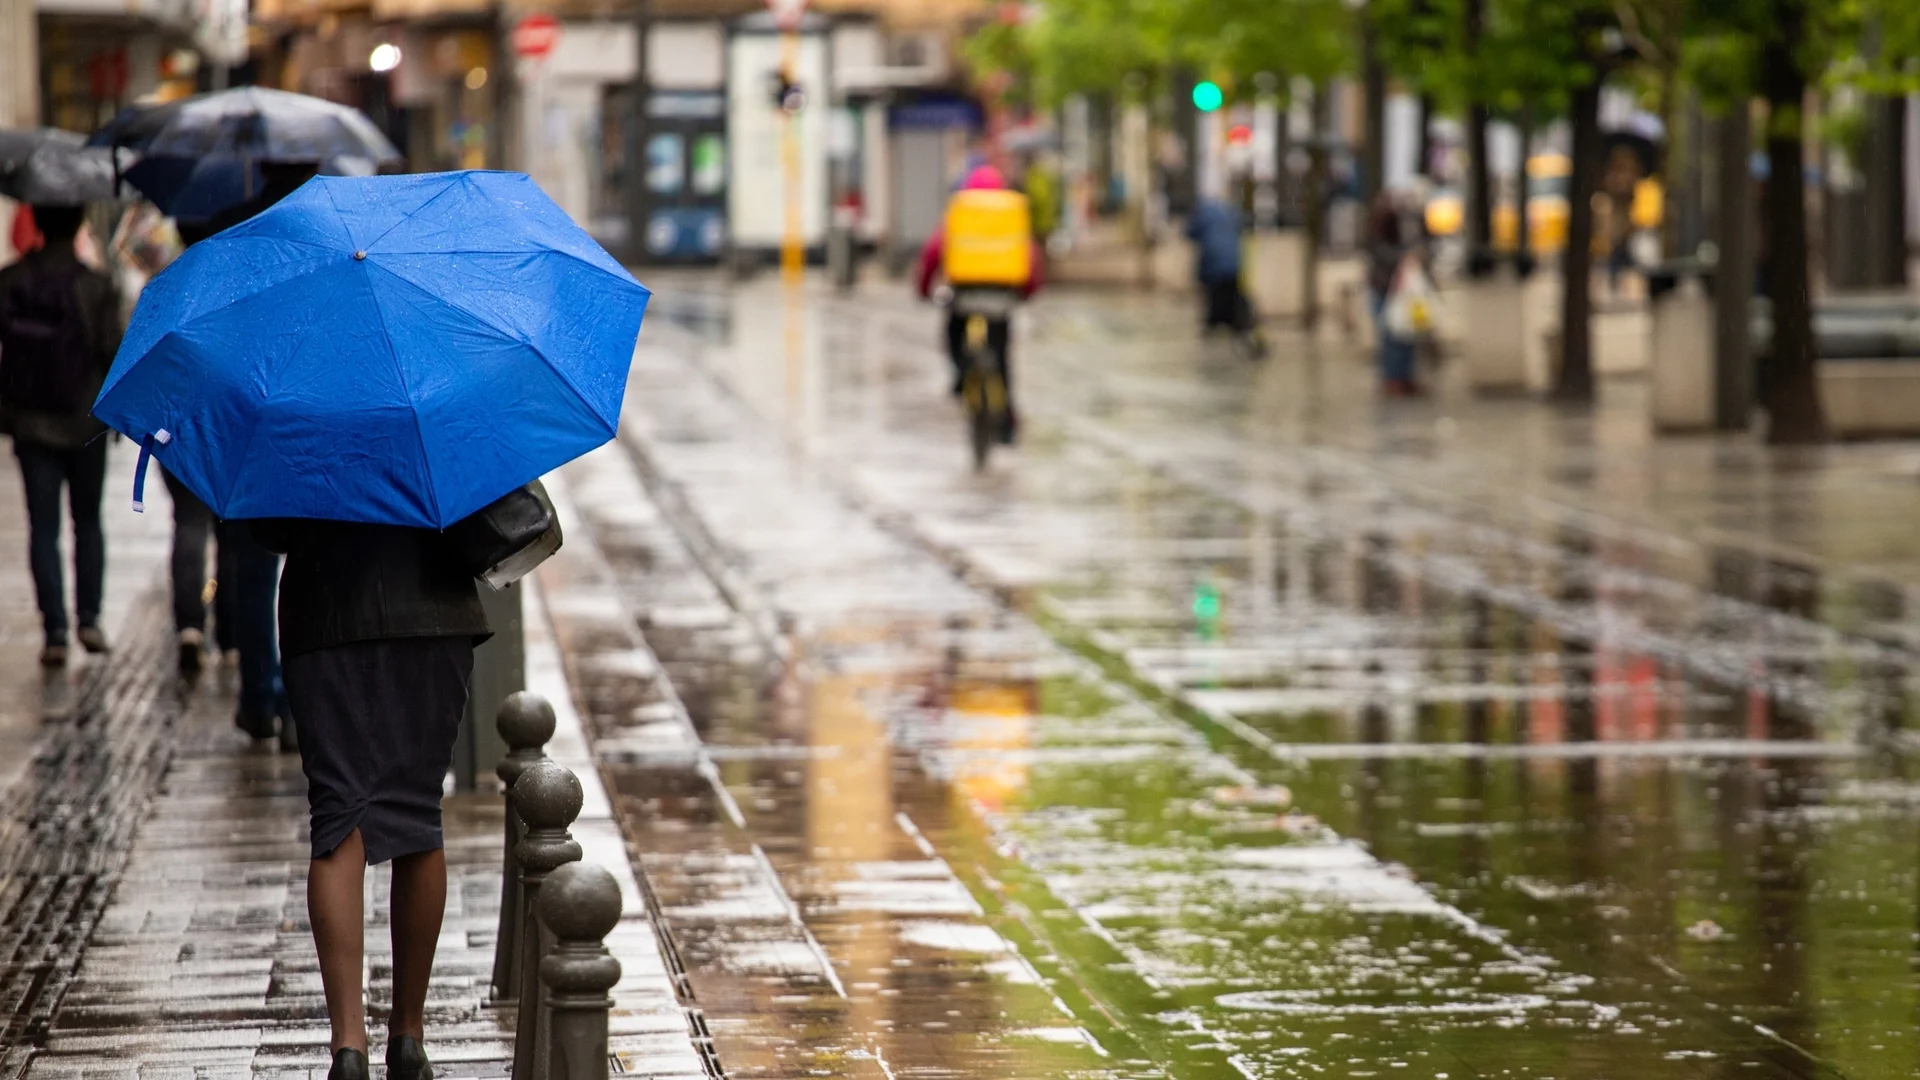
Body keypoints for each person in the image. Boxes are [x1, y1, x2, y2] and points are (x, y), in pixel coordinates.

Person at [252, 519, 489, 1080]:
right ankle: (407, 1036)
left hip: (327, 612)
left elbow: (268, 527)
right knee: (418, 815)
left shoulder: (300, 425)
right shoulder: (435, 425)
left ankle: (348, 1046)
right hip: (433, 607)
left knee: (338, 817)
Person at [176, 161, 323, 743]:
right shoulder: (327, 236)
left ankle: (262, 695)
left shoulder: (229, 232)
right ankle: (303, 705)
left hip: (242, 427)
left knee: (254, 573)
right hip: (312, 428)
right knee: (316, 573)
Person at [0, 205, 122, 667]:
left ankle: (54, 629)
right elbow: (113, 351)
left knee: (43, 529)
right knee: (88, 523)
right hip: (85, 422)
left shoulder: (11, 281)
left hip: (32, 425)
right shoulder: (96, 285)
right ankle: (89, 618)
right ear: (76, 228)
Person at [915, 165, 1043, 437]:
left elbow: (933, 252)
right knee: (1002, 358)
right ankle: (1006, 424)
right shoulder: (1011, 212)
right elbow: (1029, 255)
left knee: (953, 334)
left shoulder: (962, 211)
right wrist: (1027, 291)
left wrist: (924, 289)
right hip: (1003, 297)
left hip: (964, 295)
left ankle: (962, 376)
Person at [1185, 198, 1265, 357]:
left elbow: (1190, 233)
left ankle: (1217, 322)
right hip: (1235, 262)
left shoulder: (1202, 216)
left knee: (1215, 294)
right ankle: (1234, 323)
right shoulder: (1231, 213)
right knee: (1231, 293)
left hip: (1214, 265)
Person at [1365, 190, 1420, 396]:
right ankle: (1393, 379)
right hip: (1385, 289)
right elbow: (1380, 253)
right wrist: (1402, 258)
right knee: (1391, 338)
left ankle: (1402, 377)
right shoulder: (1381, 228)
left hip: (1397, 291)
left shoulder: (1398, 226)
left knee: (1403, 337)